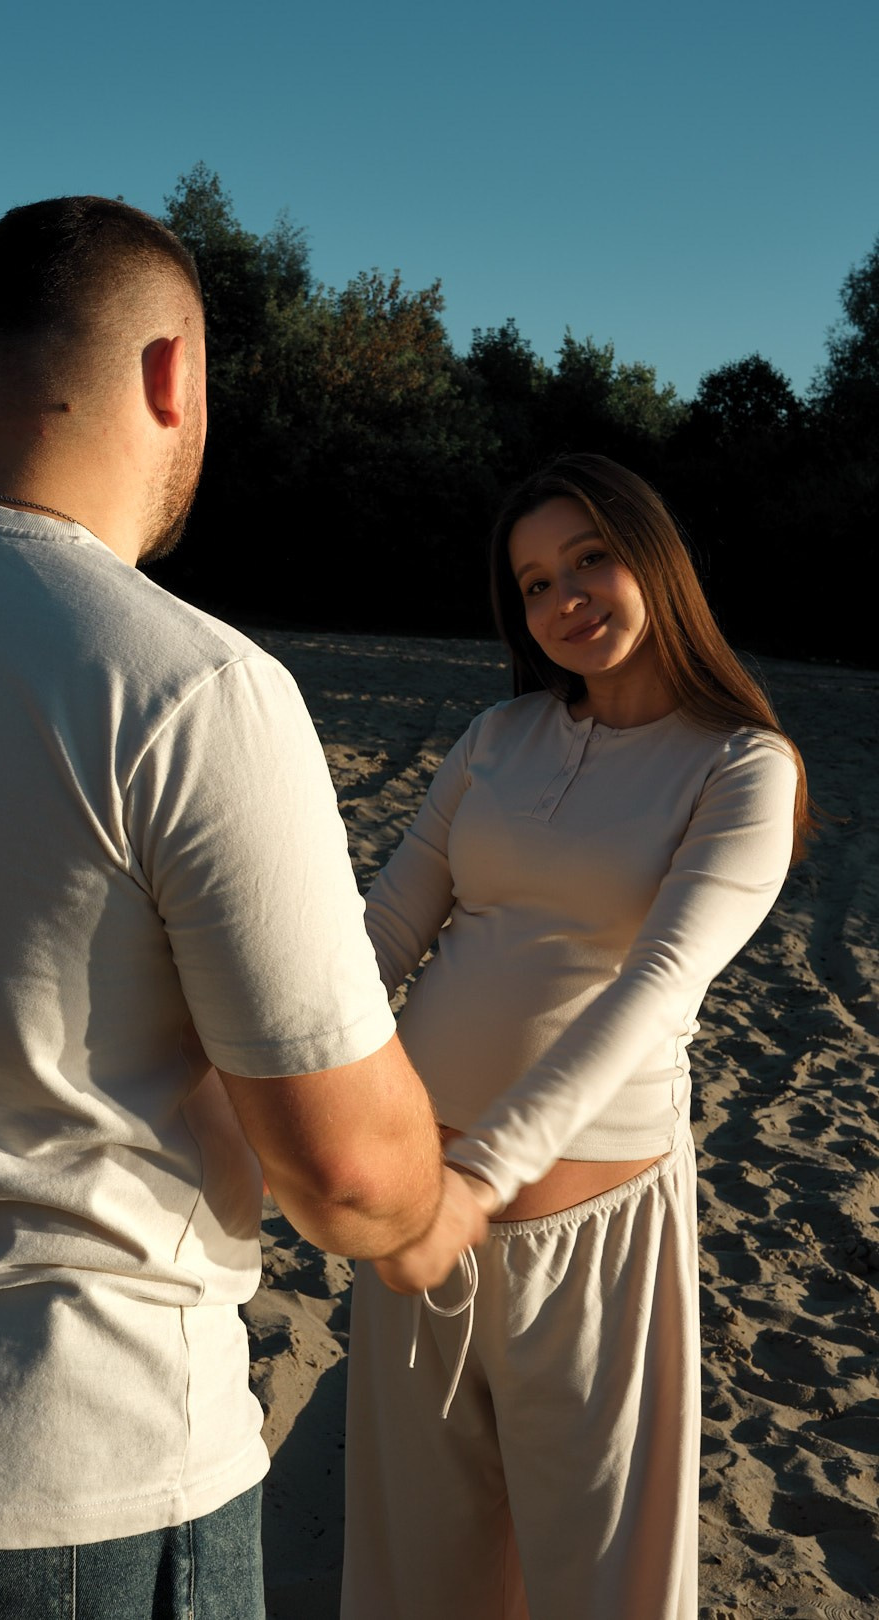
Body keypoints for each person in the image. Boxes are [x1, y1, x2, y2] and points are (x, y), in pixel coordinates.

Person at [0, 196, 488, 1620]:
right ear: (174, 373)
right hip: (77, 1476)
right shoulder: (188, 685)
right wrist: (431, 1210)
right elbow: (347, 1175)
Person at [341, 453, 811, 1620]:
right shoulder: (497, 736)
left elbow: (658, 985)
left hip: (588, 1236)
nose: (566, 598)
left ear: (655, 557)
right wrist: (275, 1072)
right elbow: (386, 929)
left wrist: (482, 1178)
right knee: (420, 1573)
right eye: (537, 582)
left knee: (601, 1583)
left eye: (590, 558)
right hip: (417, 1218)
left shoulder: (743, 767)